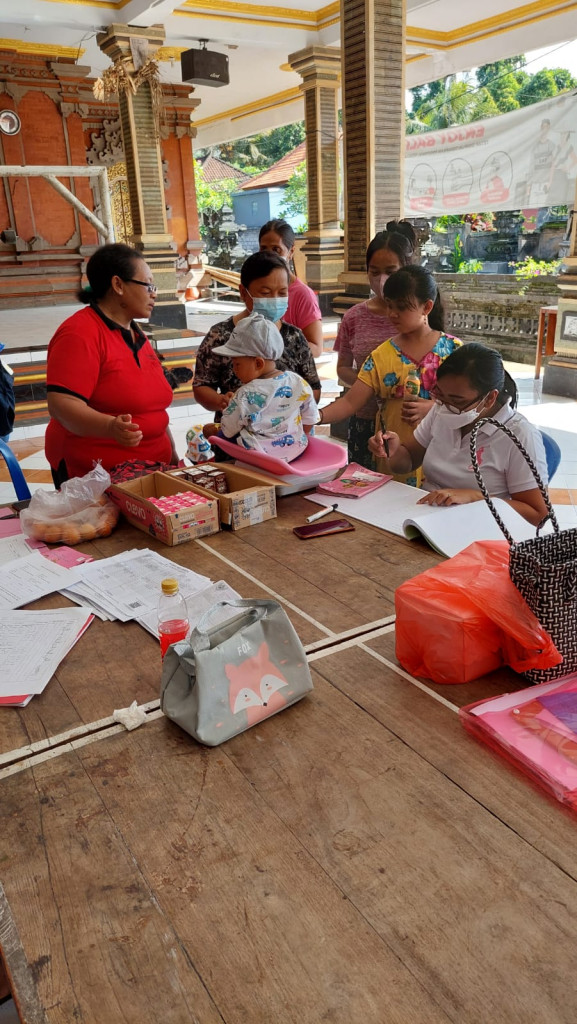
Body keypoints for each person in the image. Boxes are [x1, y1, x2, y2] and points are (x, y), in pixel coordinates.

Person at [369, 343, 549, 526]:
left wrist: (475, 497)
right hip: (426, 518)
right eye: (440, 395)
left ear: (490, 398)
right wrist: (393, 450)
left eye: (457, 401)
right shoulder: (441, 410)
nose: (445, 406)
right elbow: (406, 461)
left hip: (480, 530)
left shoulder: (519, 435)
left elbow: (538, 515)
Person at [45, 243, 176, 486]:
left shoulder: (137, 334)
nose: (154, 293)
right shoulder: (79, 333)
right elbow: (62, 405)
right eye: (148, 285)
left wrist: (174, 458)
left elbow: (153, 411)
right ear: (118, 285)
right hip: (95, 477)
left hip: (152, 469)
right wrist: (109, 427)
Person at [318, 266, 461, 485]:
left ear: (427, 307)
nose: (393, 314)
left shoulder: (453, 351)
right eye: (390, 306)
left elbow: (474, 405)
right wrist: (315, 417)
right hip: (393, 455)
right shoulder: (382, 354)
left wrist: (435, 408)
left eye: (402, 307)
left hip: (442, 455)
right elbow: (350, 401)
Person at [193, 251, 321, 419]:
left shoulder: (294, 336)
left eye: (282, 293)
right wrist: (222, 401)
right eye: (266, 293)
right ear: (244, 293)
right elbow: (201, 385)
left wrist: (285, 405)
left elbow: (314, 388)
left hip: (285, 437)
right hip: (236, 437)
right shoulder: (220, 336)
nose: (275, 299)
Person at [333, 221, 416, 467]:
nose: (382, 280)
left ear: (406, 268)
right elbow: (342, 368)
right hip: (364, 419)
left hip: (409, 422)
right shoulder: (354, 316)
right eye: (374, 271)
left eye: (390, 271)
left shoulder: (419, 316)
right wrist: (372, 383)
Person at [204, 313, 317, 462]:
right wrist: (299, 436)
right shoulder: (297, 381)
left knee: (210, 430)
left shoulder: (245, 393)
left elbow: (229, 430)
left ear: (258, 363)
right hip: (297, 450)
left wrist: (230, 408)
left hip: (260, 455)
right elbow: (310, 416)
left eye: (237, 364)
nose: (234, 369)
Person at [258, 219, 323, 357]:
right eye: (264, 249)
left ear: (290, 252)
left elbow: (316, 348)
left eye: (276, 249)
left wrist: (278, 346)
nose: (269, 255)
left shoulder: (303, 295)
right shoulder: (255, 289)